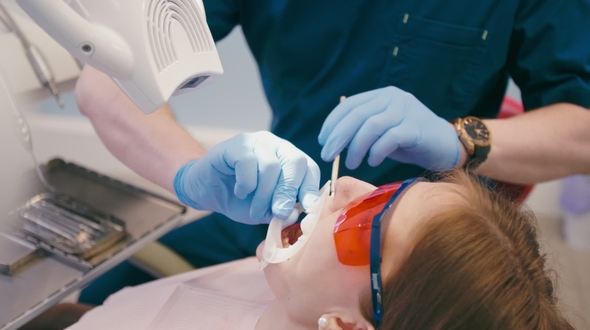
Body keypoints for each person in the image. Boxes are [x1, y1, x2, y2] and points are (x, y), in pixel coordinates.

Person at [75, 0, 590, 304]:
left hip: (424, 254)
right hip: (271, 209)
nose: (343, 188)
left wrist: (460, 139)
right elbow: (108, 76)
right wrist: (188, 173)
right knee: (112, 293)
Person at [17, 171, 577, 330]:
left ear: (348, 328)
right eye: (392, 186)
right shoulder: (291, 292)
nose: (348, 187)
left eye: (366, 220)